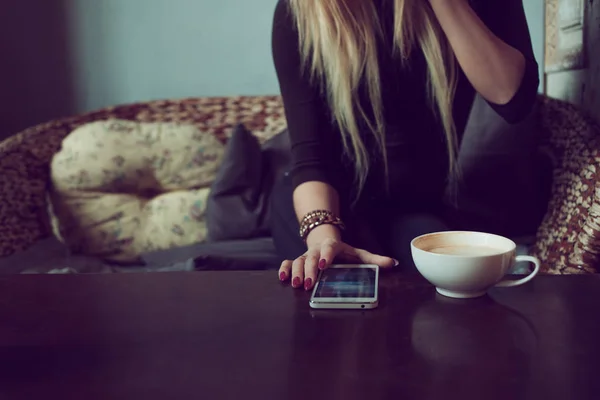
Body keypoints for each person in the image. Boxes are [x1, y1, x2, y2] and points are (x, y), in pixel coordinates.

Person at [270, 0, 539, 290]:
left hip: (413, 206)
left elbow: (511, 98)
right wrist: (324, 241)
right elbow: (311, 160)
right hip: (324, 205)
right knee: (334, 290)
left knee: (438, 297)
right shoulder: (300, 10)